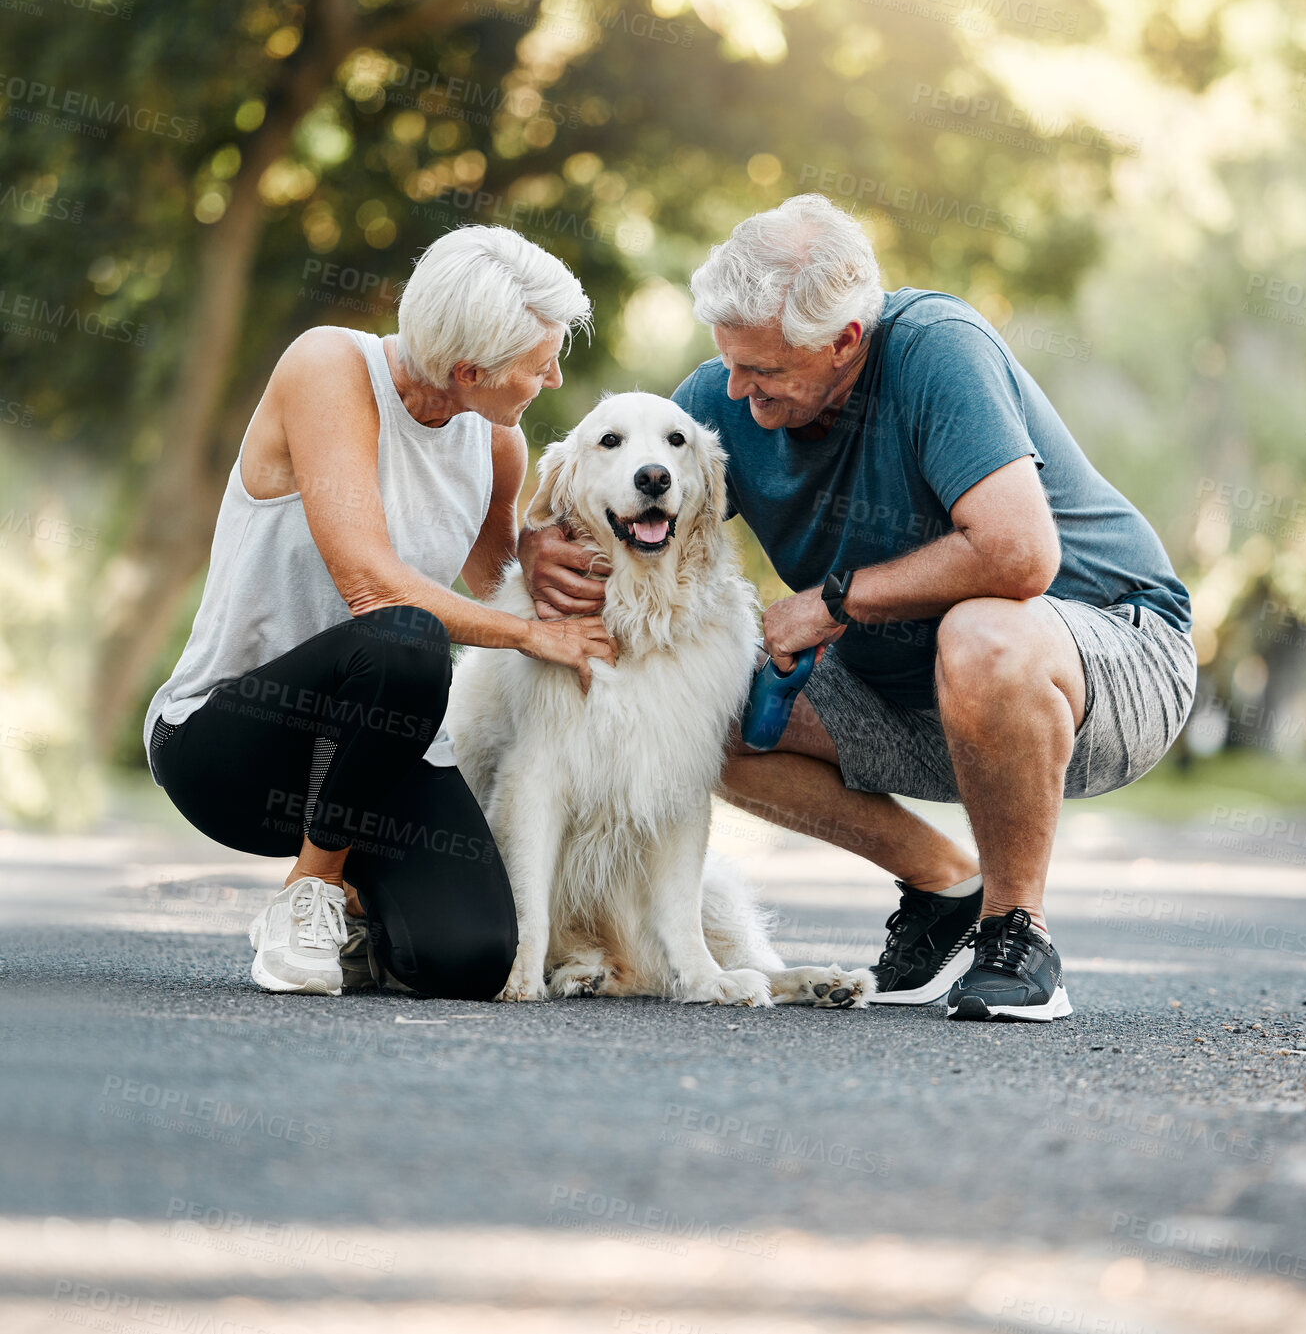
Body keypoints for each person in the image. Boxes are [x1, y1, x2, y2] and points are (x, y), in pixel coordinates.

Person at [521, 195, 1196, 1023]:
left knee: (981, 632)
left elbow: (1020, 554)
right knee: (706, 711)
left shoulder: (934, 350)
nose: (735, 389)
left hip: (1105, 663)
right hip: (914, 688)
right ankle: (945, 881)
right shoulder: (727, 391)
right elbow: (612, 487)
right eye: (728, 362)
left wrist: (833, 601)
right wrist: (536, 545)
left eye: (762, 371)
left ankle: (1016, 931)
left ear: (843, 341)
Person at [144, 227, 616, 999]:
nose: (555, 378)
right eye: (540, 364)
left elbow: (494, 573)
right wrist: (536, 634)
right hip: (233, 741)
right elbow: (372, 583)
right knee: (406, 634)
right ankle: (311, 893)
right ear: (469, 370)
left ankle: (366, 915)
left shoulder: (497, 442)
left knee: (468, 960)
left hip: (376, 755)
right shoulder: (328, 364)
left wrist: (537, 557)